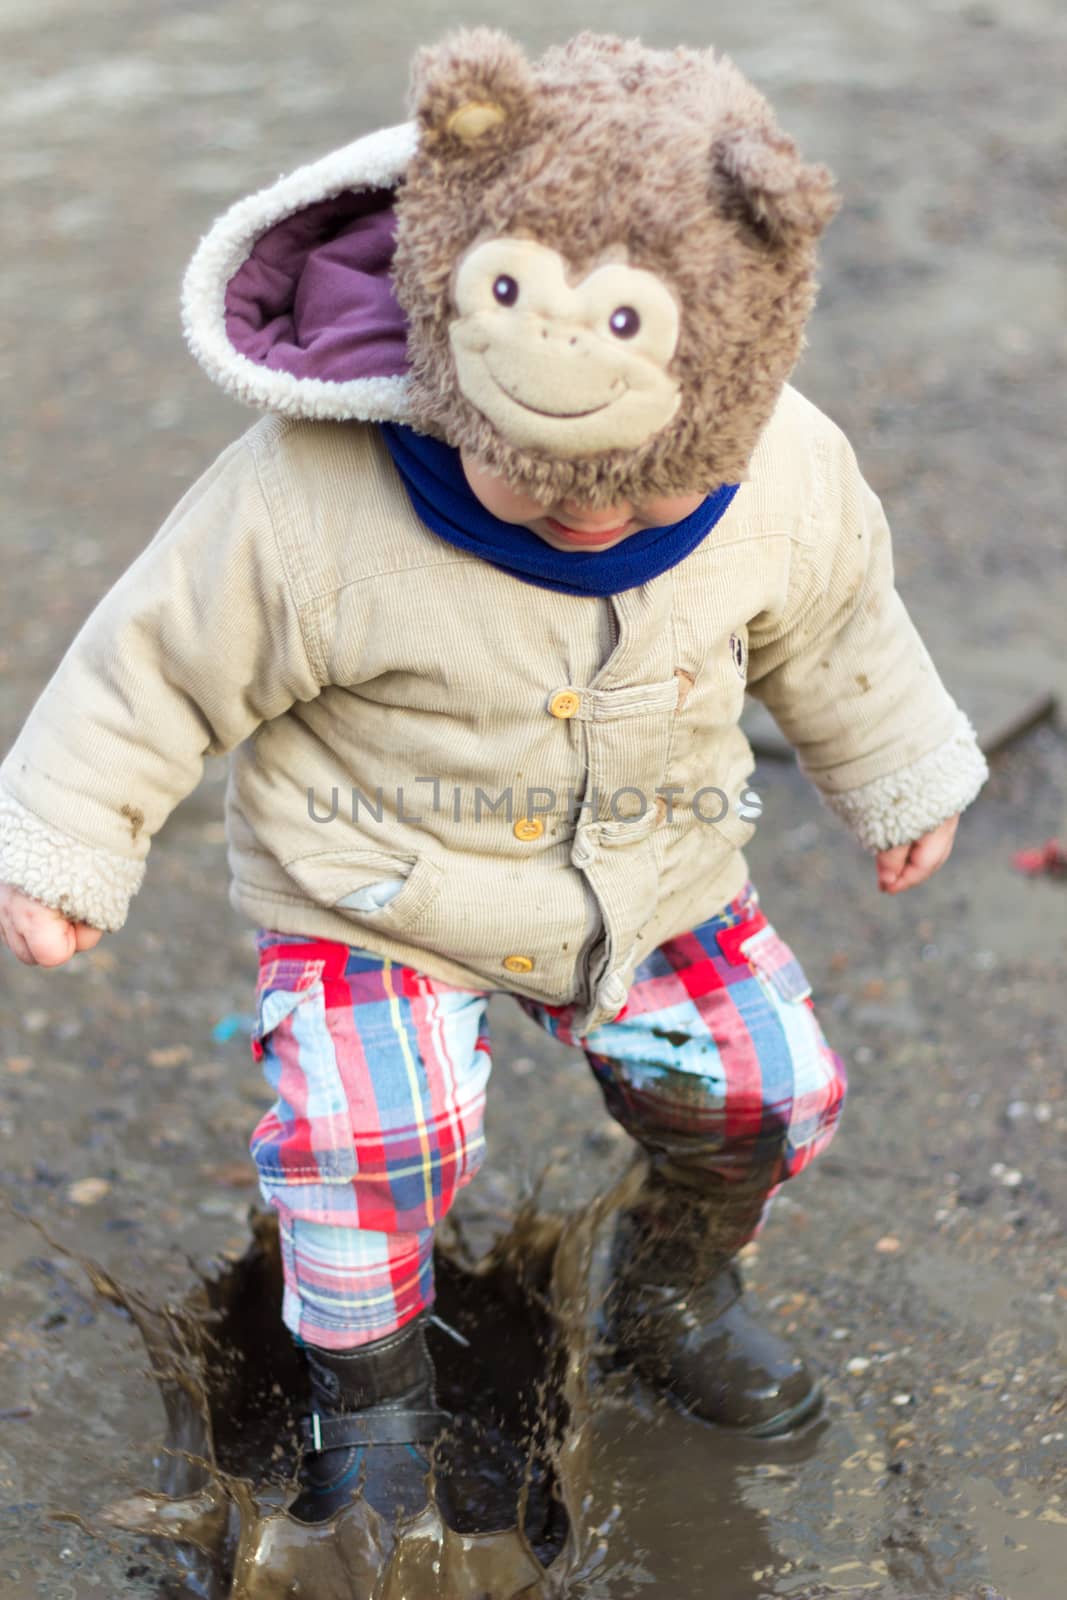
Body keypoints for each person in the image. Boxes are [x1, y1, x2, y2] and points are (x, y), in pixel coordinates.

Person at [0, 30, 987, 1528]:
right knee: (370, 1135)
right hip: (376, 880)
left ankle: (672, 1286)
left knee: (770, 1090)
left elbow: (842, 626)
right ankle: (372, 1389)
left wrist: (900, 773)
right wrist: (62, 842)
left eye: (652, 489)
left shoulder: (784, 474)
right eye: (536, 480)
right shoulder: (307, 497)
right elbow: (155, 660)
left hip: (655, 872)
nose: (593, 518)